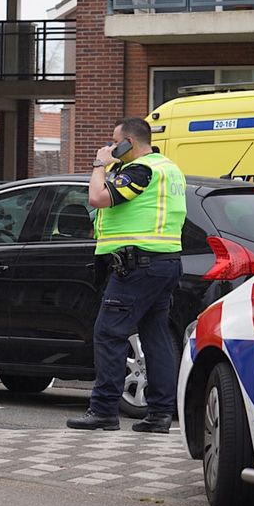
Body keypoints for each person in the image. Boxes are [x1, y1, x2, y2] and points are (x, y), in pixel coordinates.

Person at [66, 117, 187, 433]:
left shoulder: (142, 170)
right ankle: (160, 413)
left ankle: (104, 410)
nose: (110, 145)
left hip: (138, 266)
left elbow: (98, 198)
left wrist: (99, 165)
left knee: (108, 333)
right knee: (155, 335)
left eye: (114, 140)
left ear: (128, 143)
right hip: (164, 263)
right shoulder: (168, 168)